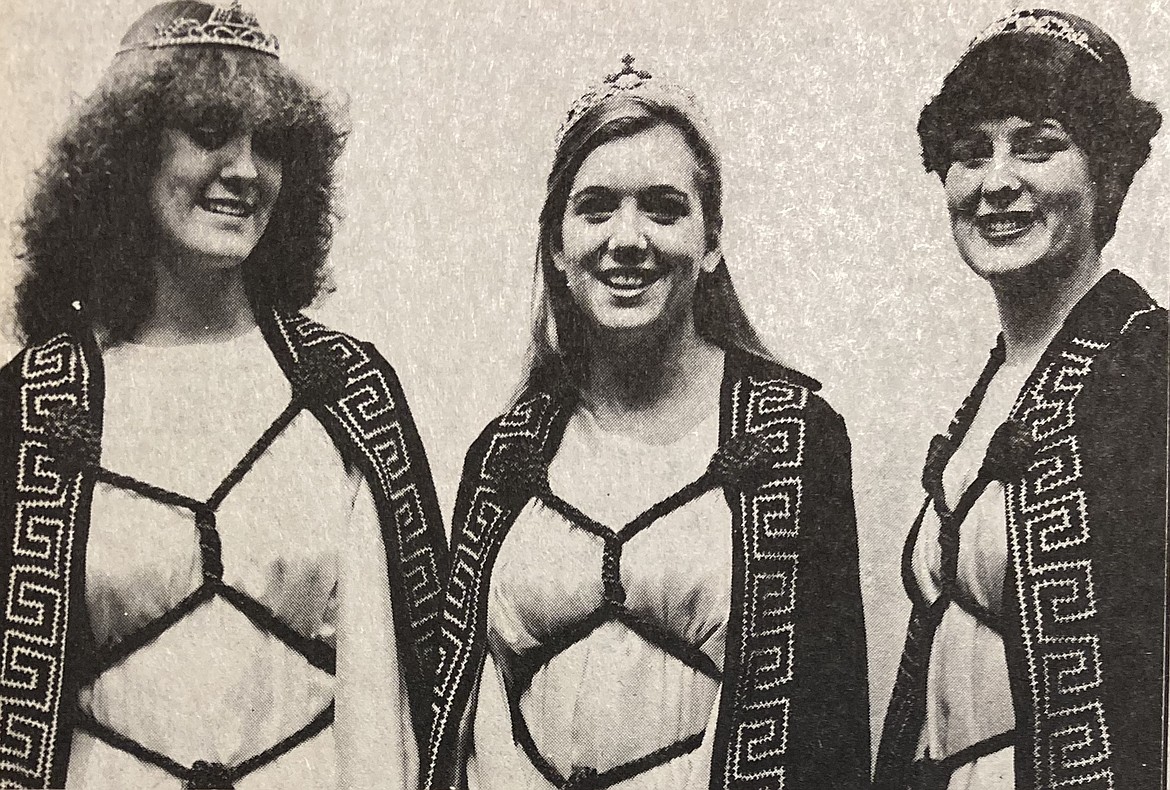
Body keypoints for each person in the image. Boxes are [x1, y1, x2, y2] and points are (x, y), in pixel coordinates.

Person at [0, 1, 447, 787]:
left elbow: (406, 698)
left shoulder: (346, 391)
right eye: (209, 132)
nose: (246, 171)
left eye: (270, 144)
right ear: (127, 156)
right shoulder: (35, 403)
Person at [423, 57, 870, 790]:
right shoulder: (505, 456)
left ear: (712, 240)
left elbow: (828, 725)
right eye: (596, 207)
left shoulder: (795, 438)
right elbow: (461, 709)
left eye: (664, 208)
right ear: (558, 245)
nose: (627, 239)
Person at [875, 9, 1166, 790]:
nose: (997, 181)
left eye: (1038, 147)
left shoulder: (1153, 370)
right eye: (972, 154)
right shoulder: (991, 390)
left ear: (1106, 173)